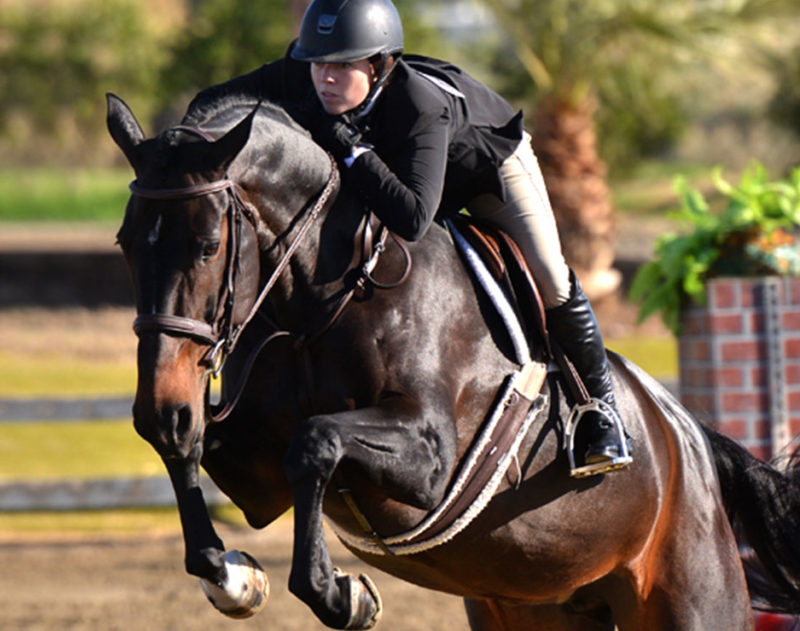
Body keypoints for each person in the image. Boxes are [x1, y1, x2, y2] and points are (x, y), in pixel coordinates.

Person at [188, 0, 631, 477]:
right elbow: (211, 102)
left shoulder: (422, 105)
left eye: (341, 66)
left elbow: (416, 217)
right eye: (318, 63)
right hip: (400, 173)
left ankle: (600, 415)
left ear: (378, 66)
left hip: (484, 171)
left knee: (549, 274)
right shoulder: (304, 74)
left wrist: (349, 147)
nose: (325, 78)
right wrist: (183, 149)